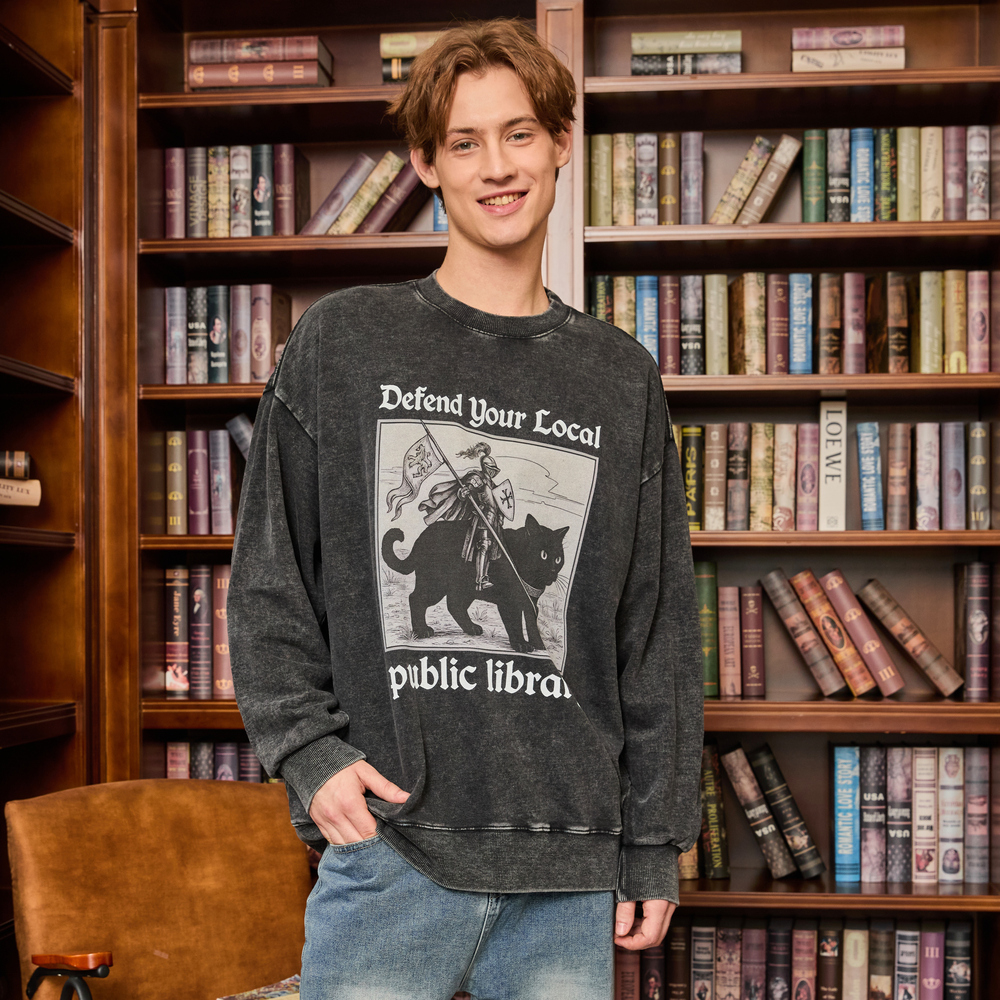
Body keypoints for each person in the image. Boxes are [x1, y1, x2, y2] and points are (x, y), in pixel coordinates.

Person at [228, 18, 702, 1000]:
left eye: (519, 133)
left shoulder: (620, 376)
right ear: (427, 165)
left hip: (570, 869)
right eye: (464, 142)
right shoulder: (344, 341)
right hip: (390, 853)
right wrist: (309, 752)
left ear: (561, 142)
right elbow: (271, 575)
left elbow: (654, 628)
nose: (497, 166)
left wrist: (654, 840)